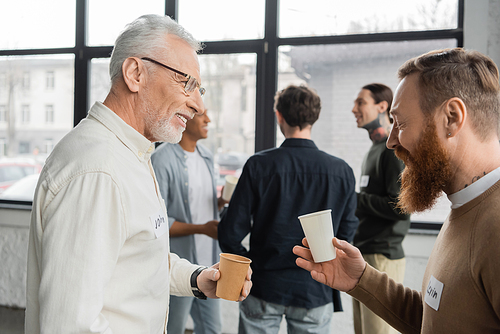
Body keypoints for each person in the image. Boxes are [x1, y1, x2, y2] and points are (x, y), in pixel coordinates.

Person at [25, 14, 251, 333]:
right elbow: (70, 324)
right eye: (187, 83)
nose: (199, 105)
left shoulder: (132, 152)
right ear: (135, 74)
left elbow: (140, 256)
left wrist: (199, 279)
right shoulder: (99, 169)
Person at [293, 48, 500, 334]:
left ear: (451, 118)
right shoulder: (463, 206)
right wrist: (361, 279)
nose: (391, 142)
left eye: (400, 124)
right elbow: (434, 318)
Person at [218, 85, 359, 334]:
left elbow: (230, 233)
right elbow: (346, 236)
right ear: (314, 118)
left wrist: (250, 266)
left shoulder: (258, 165)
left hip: (263, 283)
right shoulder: (342, 171)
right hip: (314, 288)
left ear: (278, 116)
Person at [151, 110, 226, 334]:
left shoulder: (206, 156)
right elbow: (158, 223)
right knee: (172, 328)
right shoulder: (161, 159)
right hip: (179, 267)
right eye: (202, 115)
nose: (208, 120)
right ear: (185, 118)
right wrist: (202, 229)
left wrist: (221, 202)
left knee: (213, 329)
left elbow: (199, 205)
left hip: (210, 264)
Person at [351, 83, 411, 334]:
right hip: (365, 254)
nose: (354, 109)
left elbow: (400, 206)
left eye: (360, 102)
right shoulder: (373, 150)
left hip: (382, 257)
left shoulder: (392, 152)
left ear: (382, 106)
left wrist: (353, 199)